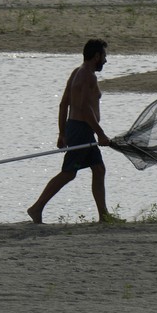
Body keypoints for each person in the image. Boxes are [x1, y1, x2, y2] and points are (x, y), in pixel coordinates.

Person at [27, 39, 115, 224]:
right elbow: (84, 107)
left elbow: (63, 104)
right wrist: (100, 133)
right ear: (97, 56)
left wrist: (62, 132)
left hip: (77, 128)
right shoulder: (88, 76)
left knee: (99, 169)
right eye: (104, 56)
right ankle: (36, 208)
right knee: (69, 172)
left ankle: (104, 216)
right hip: (81, 129)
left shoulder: (77, 72)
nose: (106, 61)